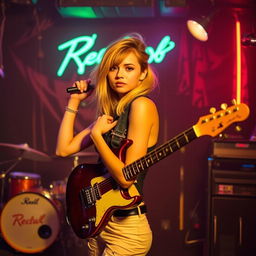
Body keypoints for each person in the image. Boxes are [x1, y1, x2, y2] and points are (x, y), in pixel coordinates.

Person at [56, 33, 159, 256]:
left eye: (129, 68)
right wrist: (74, 102)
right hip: (100, 224)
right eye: (113, 68)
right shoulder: (112, 114)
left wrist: (97, 136)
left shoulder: (142, 105)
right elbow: (63, 149)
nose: (119, 74)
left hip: (126, 230)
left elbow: (125, 178)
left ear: (142, 73)